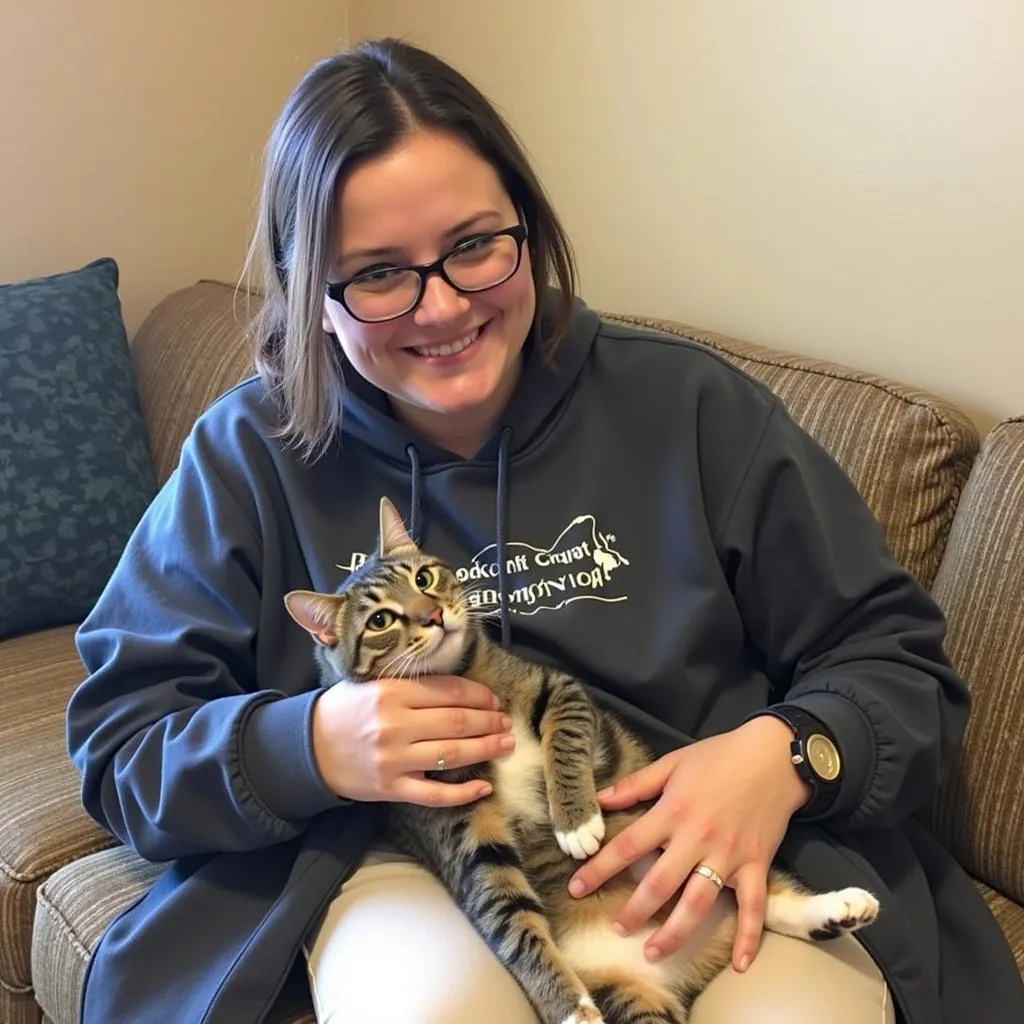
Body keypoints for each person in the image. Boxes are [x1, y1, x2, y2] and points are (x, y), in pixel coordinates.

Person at [66, 37, 1024, 1024]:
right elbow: (120, 742)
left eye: (475, 244)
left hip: (690, 843)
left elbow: (897, 664)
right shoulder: (249, 452)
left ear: (530, 225)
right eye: (379, 274)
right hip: (405, 855)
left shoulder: (689, 408)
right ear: (310, 289)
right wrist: (307, 742)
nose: (440, 306)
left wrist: (783, 752)